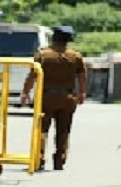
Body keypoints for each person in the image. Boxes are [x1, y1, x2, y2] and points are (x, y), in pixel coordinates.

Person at [20, 25, 87, 171]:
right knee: (64, 130)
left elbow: (32, 76)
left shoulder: (43, 55)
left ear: (53, 37)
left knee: (42, 129)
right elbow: (82, 76)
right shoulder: (75, 56)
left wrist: (25, 93)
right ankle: (59, 160)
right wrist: (82, 93)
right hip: (67, 97)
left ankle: (39, 158)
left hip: (46, 97)